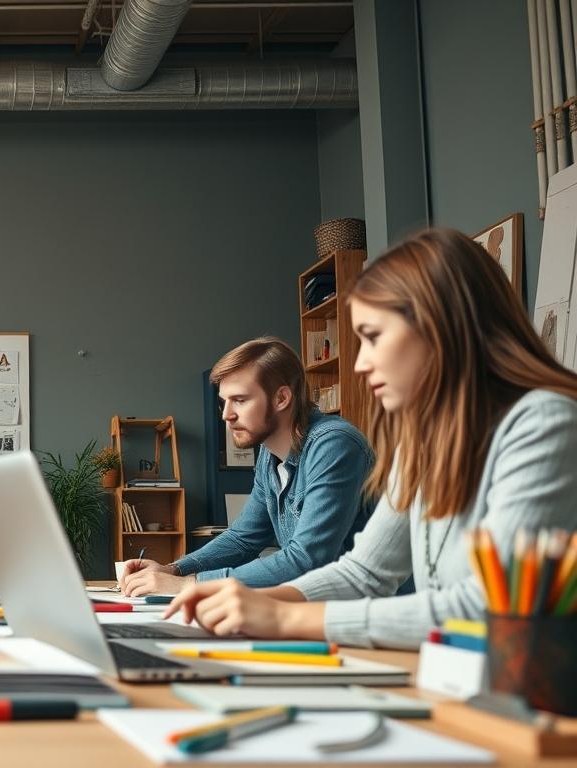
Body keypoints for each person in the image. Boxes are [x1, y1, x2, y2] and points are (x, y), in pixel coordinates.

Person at [166, 228, 577, 649]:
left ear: (441, 328)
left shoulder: (543, 423)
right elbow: (365, 572)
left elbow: (495, 608)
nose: (360, 364)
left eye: (373, 337)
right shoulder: (425, 443)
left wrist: (280, 614)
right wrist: (242, 601)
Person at [120, 337, 374, 596]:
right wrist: (173, 570)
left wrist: (191, 584)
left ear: (281, 398)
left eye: (240, 400)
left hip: (368, 621)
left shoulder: (334, 444)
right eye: (223, 402)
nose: (225, 415)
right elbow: (243, 538)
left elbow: (307, 558)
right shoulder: (269, 453)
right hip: (319, 611)